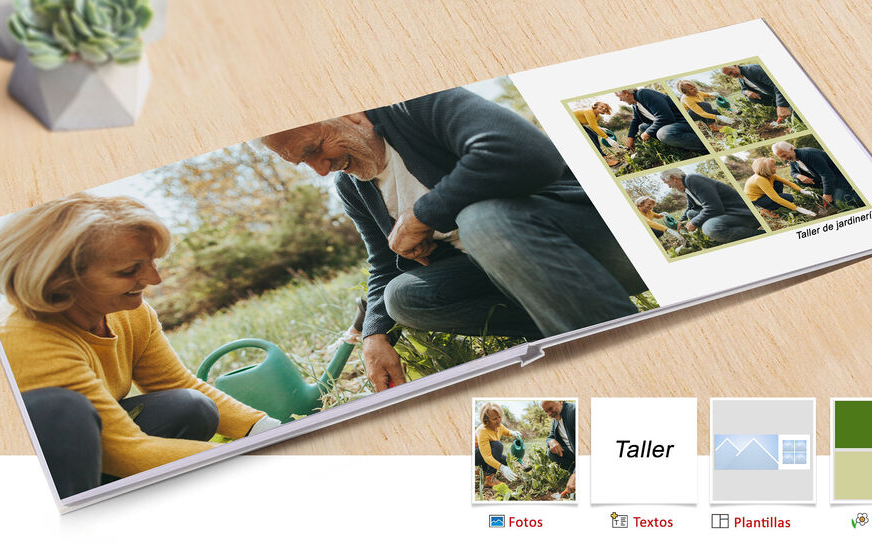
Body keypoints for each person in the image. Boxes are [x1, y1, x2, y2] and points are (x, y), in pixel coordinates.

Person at [262, 88, 649, 392]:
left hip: (598, 244)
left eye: (315, 149)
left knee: (481, 219)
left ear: (348, 112)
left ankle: (627, 360)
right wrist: (373, 335)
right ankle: (562, 325)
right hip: (514, 277)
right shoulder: (353, 187)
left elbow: (525, 152)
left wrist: (423, 215)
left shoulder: (414, 106)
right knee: (402, 297)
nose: (319, 169)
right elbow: (382, 263)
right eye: (304, 162)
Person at [0, 194, 280, 498]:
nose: (154, 278)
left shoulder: (130, 312)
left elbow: (174, 381)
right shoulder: (21, 337)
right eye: (128, 270)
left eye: (152, 262)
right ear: (59, 280)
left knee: (190, 407)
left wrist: (269, 430)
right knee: (63, 411)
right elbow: (127, 450)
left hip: (89, 441)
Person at [660, 168, 765, 243]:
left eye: (667, 183)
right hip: (726, 213)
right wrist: (680, 221)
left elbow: (714, 208)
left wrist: (694, 222)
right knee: (692, 213)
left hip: (744, 215)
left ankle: (759, 235)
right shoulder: (687, 189)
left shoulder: (692, 180)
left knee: (710, 228)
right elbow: (690, 208)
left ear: (674, 178)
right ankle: (724, 234)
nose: (669, 186)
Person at [615, 88, 708, 154]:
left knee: (663, 133)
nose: (619, 99)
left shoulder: (643, 94)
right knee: (642, 127)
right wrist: (630, 138)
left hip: (681, 122)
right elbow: (635, 121)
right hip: (670, 124)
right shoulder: (636, 105)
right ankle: (681, 146)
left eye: (618, 96)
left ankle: (704, 146)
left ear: (625, 92)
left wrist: (648, 132)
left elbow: (666, 117)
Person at [772, 141, 863, 206]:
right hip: (823, 179)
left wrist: (827, 193)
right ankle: (828, 190)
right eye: (781, 157)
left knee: (841, 203)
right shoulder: (792, 159)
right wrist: (799, 175)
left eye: (784, 155)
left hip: (837, 178)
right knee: (797, 180)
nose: (784, 159)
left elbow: (827, 174)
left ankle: (861, 194)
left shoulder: (809, 154)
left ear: (791, 149)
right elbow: (793, 173)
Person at [744, 157, 818, 218]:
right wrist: (799, 209)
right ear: (766, 169)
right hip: (756, 200)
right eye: (773, 167)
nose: (776, 167)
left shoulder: (770, 175)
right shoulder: (760, 179)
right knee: (789, 198)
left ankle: (776, 204)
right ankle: (766, 209)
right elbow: (776, 198)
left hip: (764, 194)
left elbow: (788, 183)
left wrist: (802, 191)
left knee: (778, 183)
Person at [720, 64, 792, 121]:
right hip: (771, 95)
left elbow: (777, 84)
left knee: (795, 115)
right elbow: (743, 89)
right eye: (729, 75)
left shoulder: (752, 70)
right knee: (750, 98)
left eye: (731, 72)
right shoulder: (741, 78)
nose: (732, 75)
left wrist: (781, 105)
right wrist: (746, 92)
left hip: (783, 93)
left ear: (735, 65)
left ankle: (784, 106)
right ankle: (778, 107)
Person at [474, 403, 521, 489]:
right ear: (486, 420)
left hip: (484, 454)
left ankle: (482, 472)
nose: (499, 420)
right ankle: (489, 478)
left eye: (499, 417)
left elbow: (506, 432)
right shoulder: (483, 431)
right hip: (475, 455)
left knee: (506, 460)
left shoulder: (498, 425)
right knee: (497, 445)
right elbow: (487, 456)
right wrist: (502, 468)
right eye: (494, 419)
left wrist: (513, 433)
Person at [542, 400, 576, 496]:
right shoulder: (556, 420)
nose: (549, 414)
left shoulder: (574, 412)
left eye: (550, 409)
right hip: (573, 454)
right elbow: (550, 437)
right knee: (551, 452)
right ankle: (574, 472)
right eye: (546, 411)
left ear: (560, 401)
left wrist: (576, 474)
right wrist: (551, 442)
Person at [574, 101, 620, 167]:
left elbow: (594, 124)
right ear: (595, 106)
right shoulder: (589, 112)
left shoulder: (597, 116)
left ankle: (602, 155)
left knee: (594, 135)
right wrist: (607, 139)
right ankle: (603, 158)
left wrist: (601, 128)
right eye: (602, 106)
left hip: (579, 124)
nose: (604, 108)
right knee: (589, 138)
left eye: (606, 108)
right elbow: (594, 127)